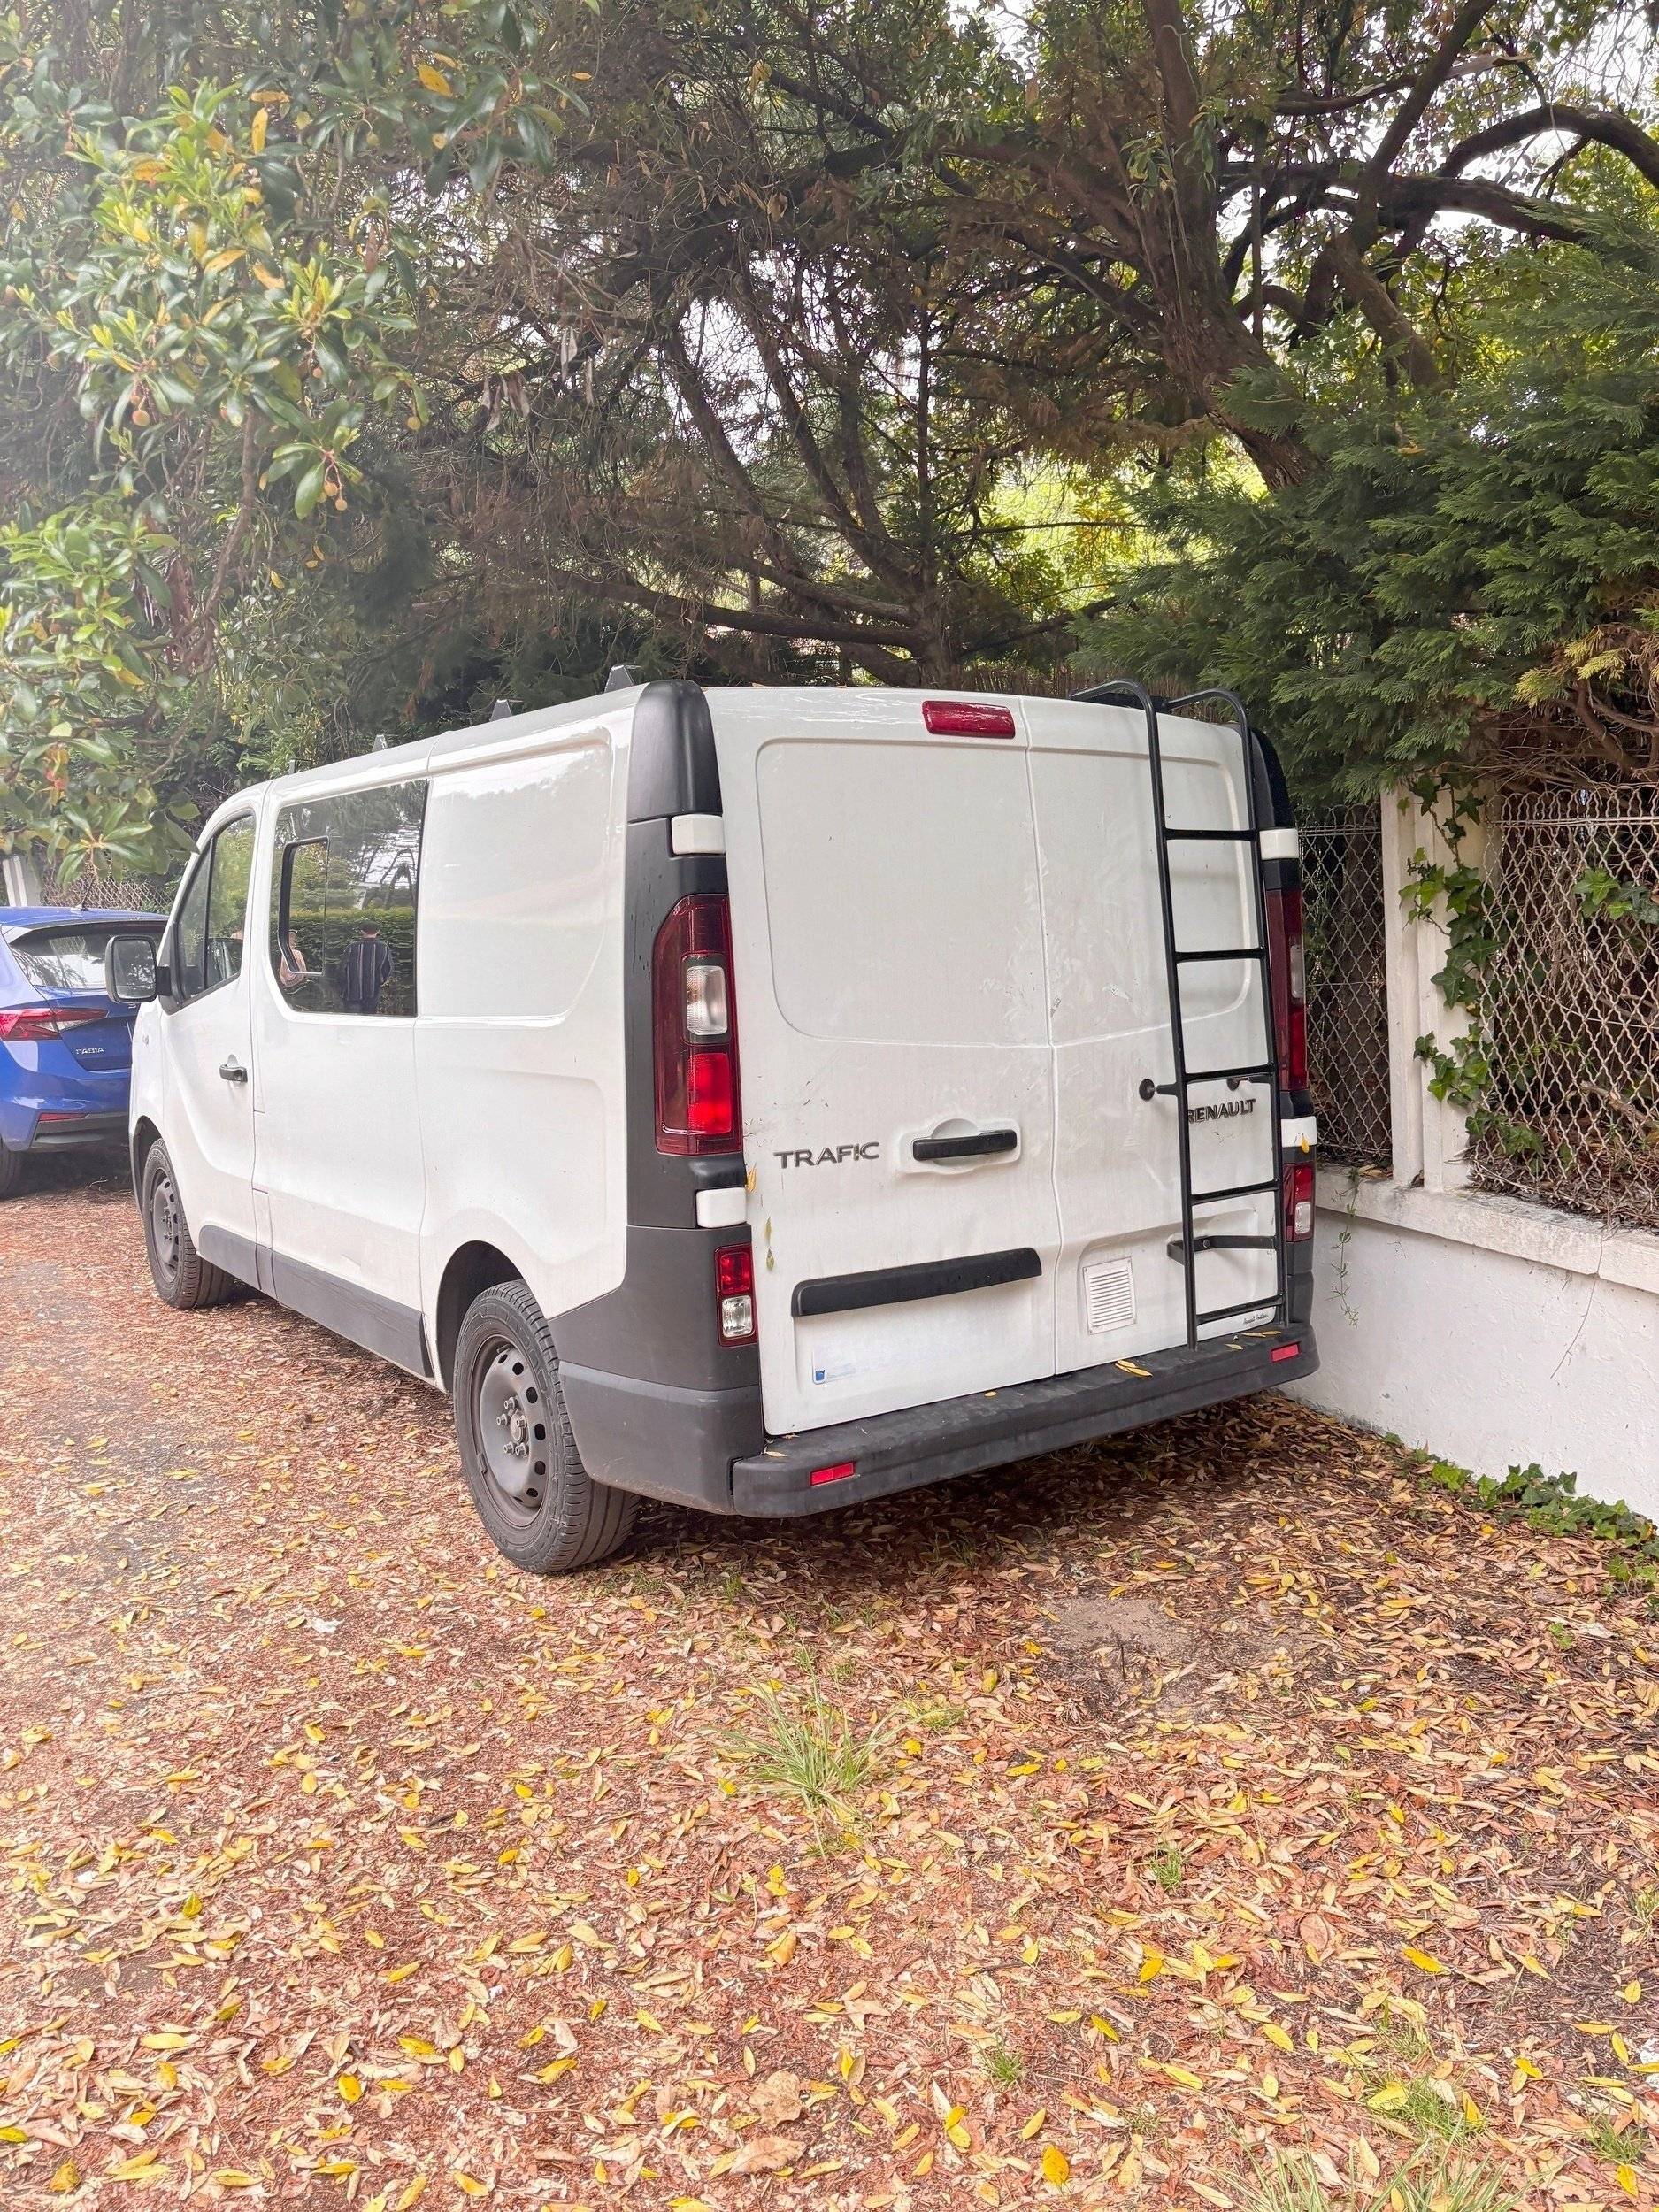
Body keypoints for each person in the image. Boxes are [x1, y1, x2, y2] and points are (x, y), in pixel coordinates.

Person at [341, 918, 395, 1014]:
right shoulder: (384, 948)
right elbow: (389, 969)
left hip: (353, 992)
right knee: (369, 1021)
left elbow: (342, 970)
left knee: (352, 1022)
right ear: (378, 931)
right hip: (374, 992)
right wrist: (381, 982)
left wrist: (344, 986)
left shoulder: (352, 947)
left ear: (362, 931)